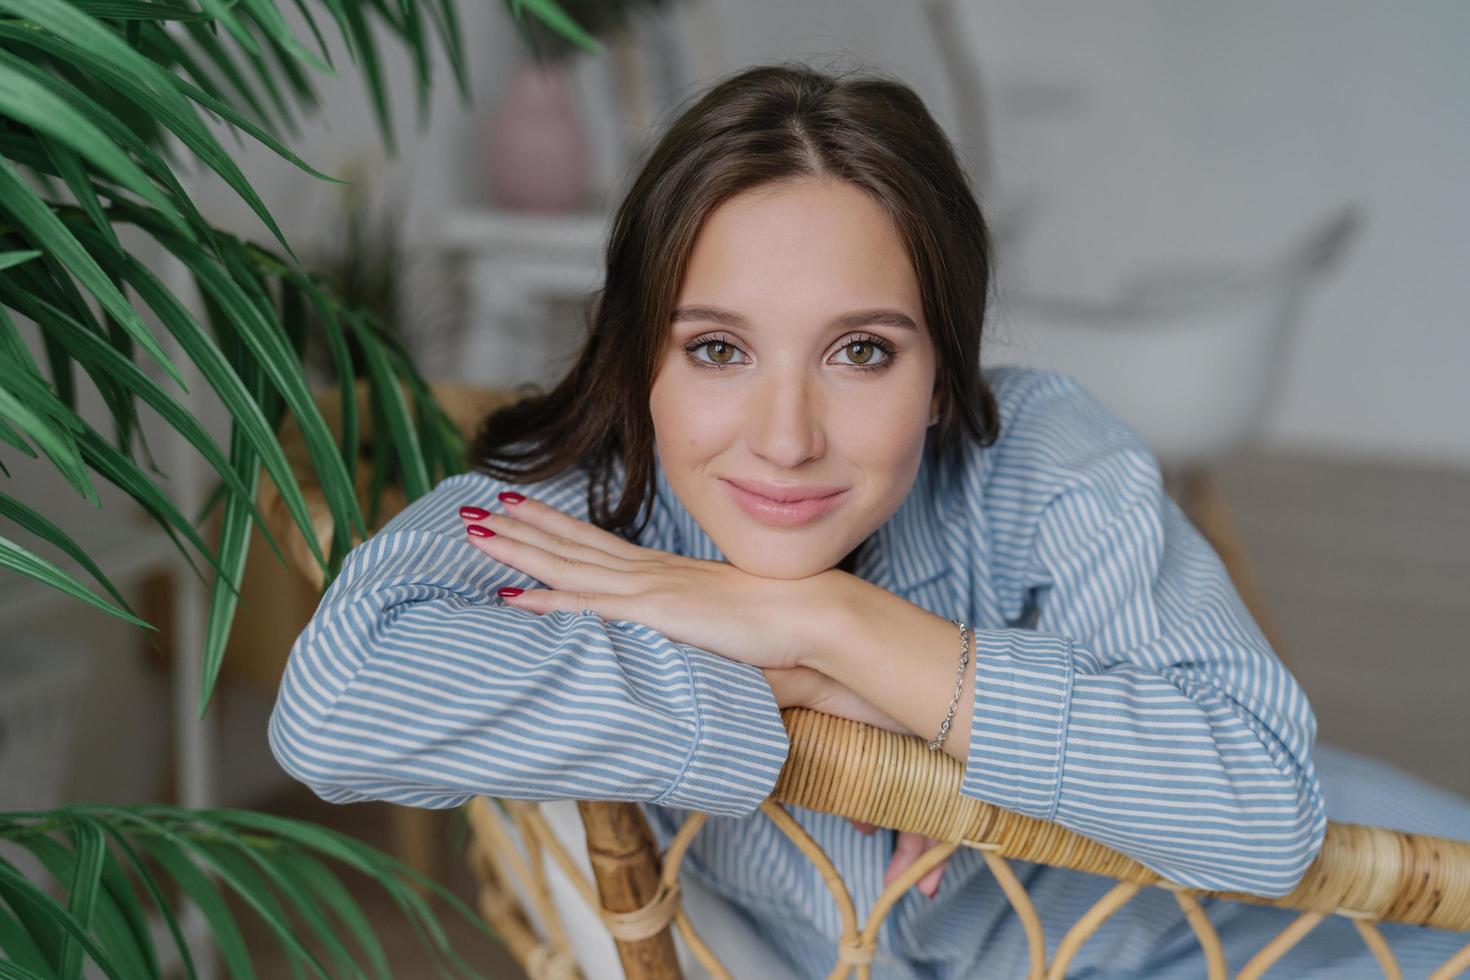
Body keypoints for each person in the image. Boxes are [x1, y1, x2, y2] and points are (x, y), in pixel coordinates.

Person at [269, 62, 1470, 978]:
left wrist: (835, 626)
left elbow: (1263, 807)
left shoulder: (1043, 455)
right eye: (718, 348)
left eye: (861, 351)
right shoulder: (584, 496)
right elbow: (333, 709)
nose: (784, 435)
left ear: (943, 369)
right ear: (642, 359)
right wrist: (775, 676)